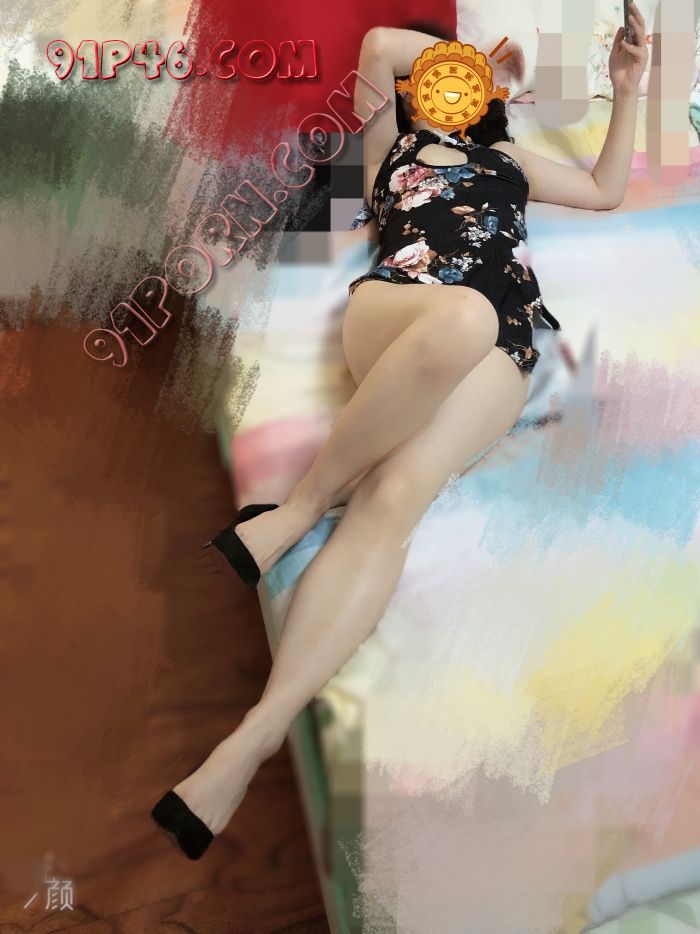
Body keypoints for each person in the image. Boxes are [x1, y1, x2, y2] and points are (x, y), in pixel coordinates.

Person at [152, 8, 649, 859]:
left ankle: (248, 743)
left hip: (503, 343)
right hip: (400, 309)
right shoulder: (390, 146)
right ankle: (301, 507)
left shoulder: (510, 161)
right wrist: (475, 63)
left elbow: (606, 191)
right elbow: (382, 45)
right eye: (441, 77)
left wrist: (629, 87)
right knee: (462, 315)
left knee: (395, 496)